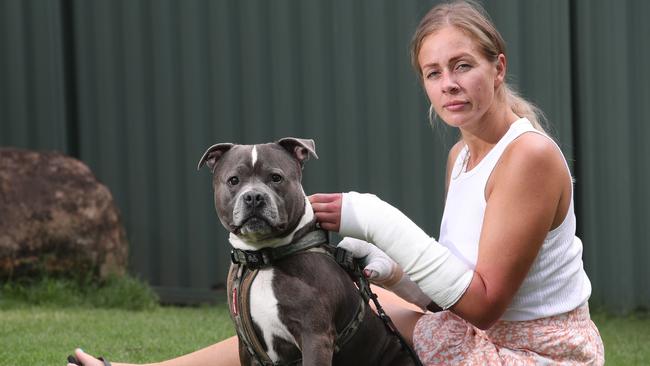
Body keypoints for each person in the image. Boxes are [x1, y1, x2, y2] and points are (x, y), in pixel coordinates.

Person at [69, 1, 604, 365]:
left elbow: (484, 303)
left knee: (327, 309)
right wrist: (383, 267)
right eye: (433, 72)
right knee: (305, 304)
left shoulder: (528, 155)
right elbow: (450, 291)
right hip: (469, 332)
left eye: (463, 65)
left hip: (532, 353)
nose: (449, 84)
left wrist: (373, 219)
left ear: (498, 67)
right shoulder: (462, 156)